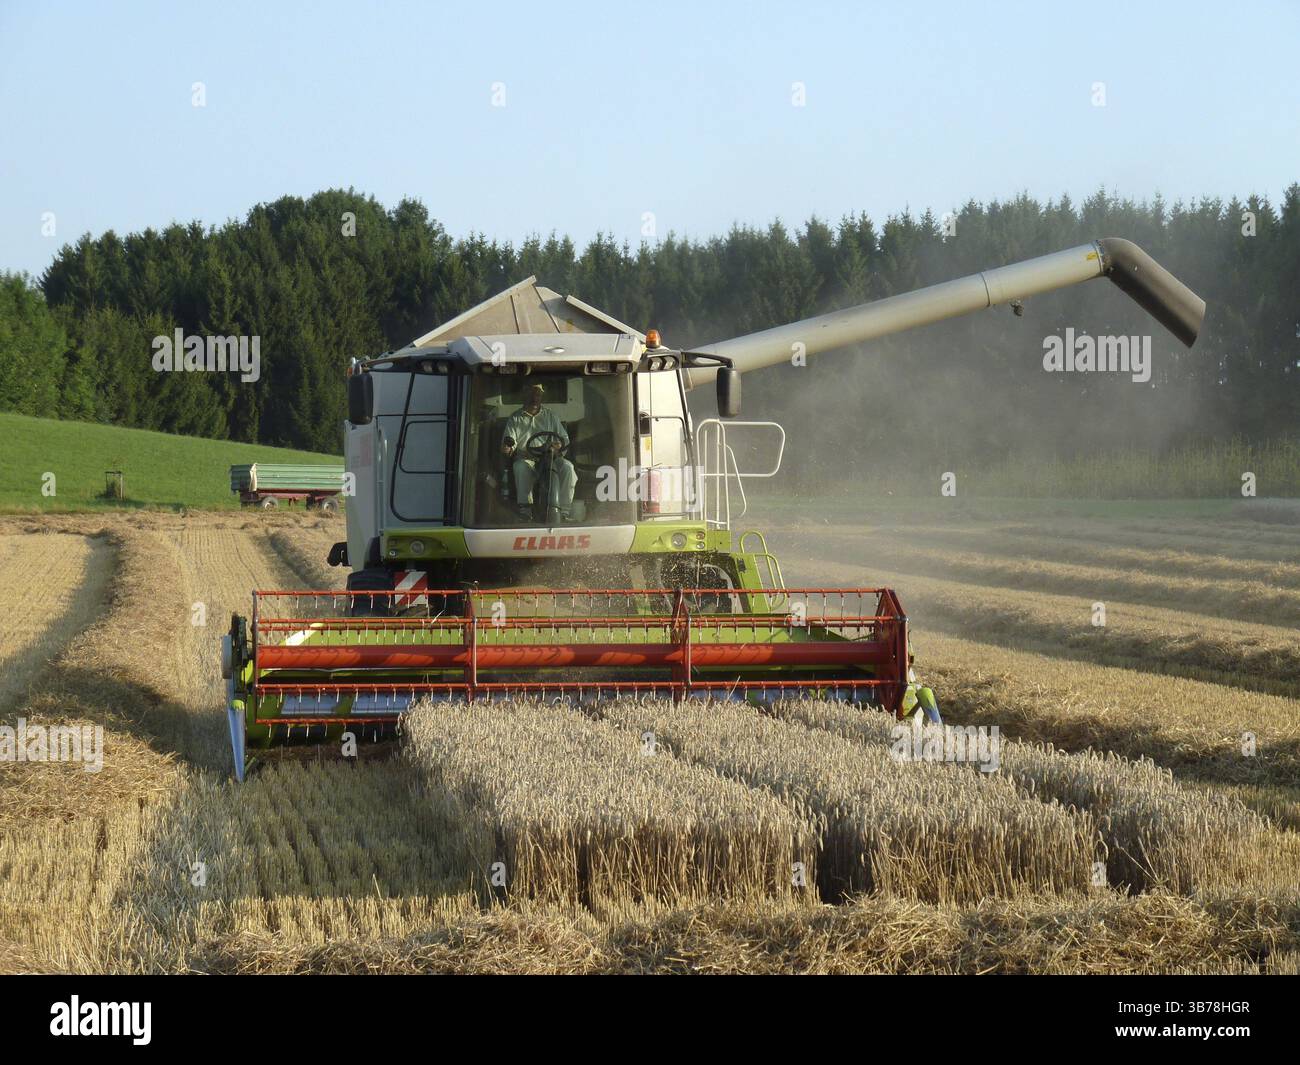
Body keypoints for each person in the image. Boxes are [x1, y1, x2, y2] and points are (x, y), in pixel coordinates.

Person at [501, 383, 577, 515]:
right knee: (520, 466)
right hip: (527, 459)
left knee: (568, 467)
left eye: (537, 394)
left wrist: (557, 447)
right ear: (525, 395)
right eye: (531, 394)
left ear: (541, 396)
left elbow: (564, 439)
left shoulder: (551, 416)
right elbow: (509, 444)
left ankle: (564, 512)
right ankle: (525, 510)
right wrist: (507, 448)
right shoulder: (515, 418)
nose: (534, 397)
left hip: (550, 458)